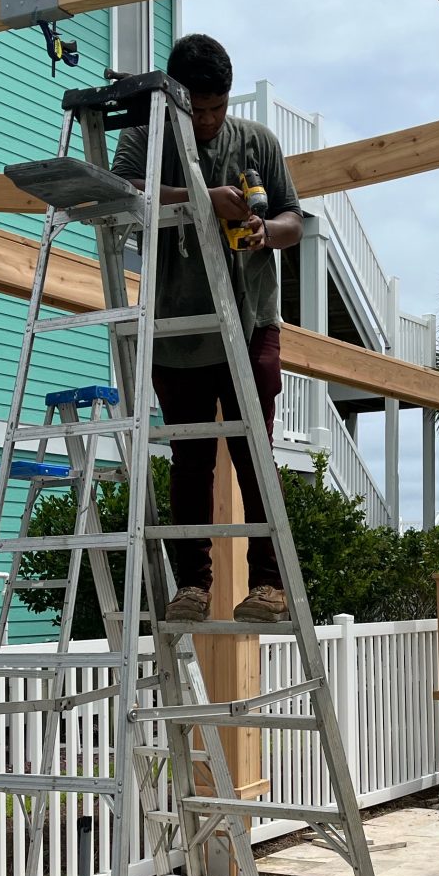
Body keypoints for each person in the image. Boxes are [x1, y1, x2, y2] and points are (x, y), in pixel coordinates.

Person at [111, 33, 303, 624]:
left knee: (255, 452)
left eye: (218, 107)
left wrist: (267, 232)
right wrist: (199, 198)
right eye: (197, 110)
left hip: (250, 321)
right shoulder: (145, 137)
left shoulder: (257, 141)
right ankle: (192, 586)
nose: (209, 120)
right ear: (175, 98)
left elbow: (294, 218)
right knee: (190, 461)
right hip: (177, 325)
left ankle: (268, 584)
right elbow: (120, 194)